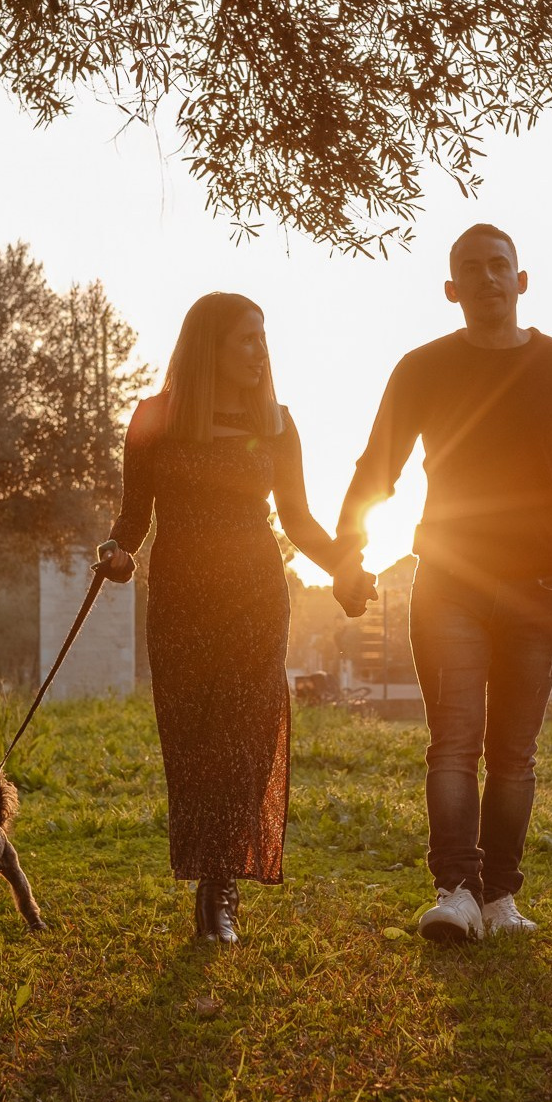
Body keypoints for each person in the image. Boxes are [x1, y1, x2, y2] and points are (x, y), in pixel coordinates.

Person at [333, 224, 552, 943]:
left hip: (535, 587)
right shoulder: (420, 369)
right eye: (472, 268)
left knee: (514, 754)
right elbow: (377, 466)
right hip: (450, 585)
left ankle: (499, 897)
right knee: (454, 743)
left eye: (501, 265)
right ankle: (456, 891)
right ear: (451, 289)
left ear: (521, 281)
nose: (488, 277)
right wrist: (349, 553)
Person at [100, 292, 347, 944]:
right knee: (194, 743)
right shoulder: (153, 418)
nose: (259, 350)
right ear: (208, 345)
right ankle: (211, 872)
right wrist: (117, 553)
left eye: (262, 337)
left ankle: (219, 890)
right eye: (245, 338)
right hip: (180, 596)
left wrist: (345, 566)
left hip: (254, 595)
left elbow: (298, 520)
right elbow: (133, 519)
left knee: (245, 737)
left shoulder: (277, 423)